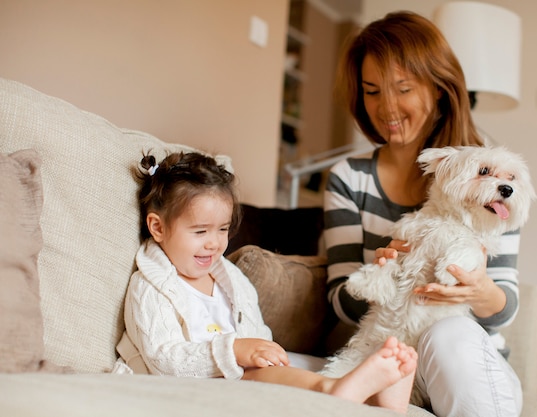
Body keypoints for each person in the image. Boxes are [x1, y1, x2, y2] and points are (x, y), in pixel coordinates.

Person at [323, 10, 523, 417]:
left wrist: (478, 289)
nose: (388, 107)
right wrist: (391, 275)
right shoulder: (349, 177)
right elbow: (339, 299)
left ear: (438, 89)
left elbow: (506, 306)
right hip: (389, 352)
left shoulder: (488, 179)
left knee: (448, 332)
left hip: (467, 360)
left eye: (403, 88)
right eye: (372, 91)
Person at [114, 151, 418, 413]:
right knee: (265, 378)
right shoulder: (148, 288)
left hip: (239, 379)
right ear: (157, 227)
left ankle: (378, 405)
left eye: (222, 229)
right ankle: (333, 392)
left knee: (279, 372)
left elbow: (257, 335)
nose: (214, 243)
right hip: (187, 387)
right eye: (200, 231)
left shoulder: (231, 280)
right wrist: (233, 351)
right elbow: (164, 361)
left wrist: (260, 353)